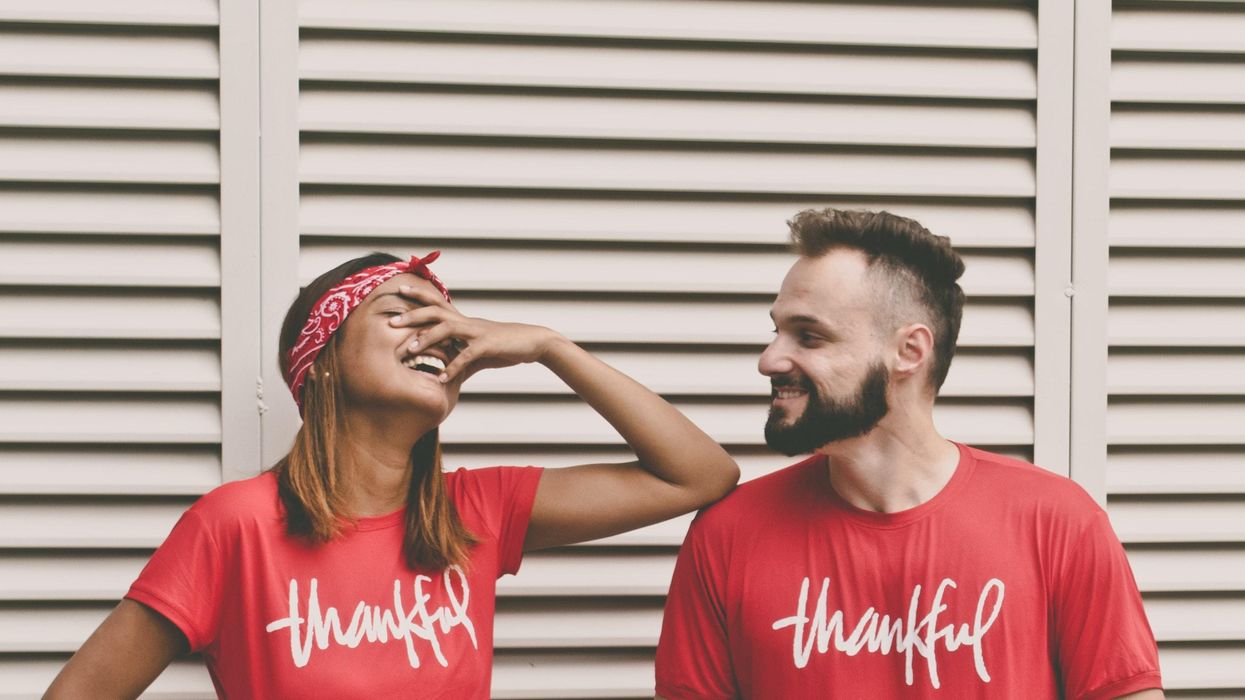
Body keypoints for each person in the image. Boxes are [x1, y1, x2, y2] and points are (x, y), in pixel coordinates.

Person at [46, 251, 740, 699]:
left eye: (443, 322)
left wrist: (550, 348)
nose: (432, 334)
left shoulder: (475, 513)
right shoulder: (237, 524)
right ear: (318, 360)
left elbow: (699, 475)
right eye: (399, 313)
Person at [654, 209, 1163, 699]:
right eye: (776, 331)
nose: (770, 360)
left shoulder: (1056, 522)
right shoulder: (727, 534)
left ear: (909, 352)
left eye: (809, 336)